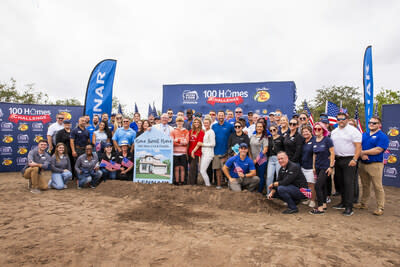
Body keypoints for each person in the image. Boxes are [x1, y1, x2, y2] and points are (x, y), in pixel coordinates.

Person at [355, 116, 389, 216]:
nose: (371, 124)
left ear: (379, 125)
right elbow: (358, 145)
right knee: (365, 185)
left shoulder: (382, 136)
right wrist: (361, 153)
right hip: (362, 164)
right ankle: (363, 203)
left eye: (374, 123)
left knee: (377, 186)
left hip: (375, 165)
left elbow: (378, 149)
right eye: (370, 122)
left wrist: (362, 152)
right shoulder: (364, 134)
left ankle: (380, 207)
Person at [330, 112, 361, 216]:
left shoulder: (353, 131)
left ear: (347, 119)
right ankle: (343, 202)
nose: (341, 121)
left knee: (348, 183)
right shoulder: (334, 131)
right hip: (338, 159)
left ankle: (349, 207)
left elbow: (358, 146)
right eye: (338, 119)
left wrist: (355, 159)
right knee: (340, 182)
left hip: (349, 159)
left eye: (343, 119)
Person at [309, 122, 335, 215]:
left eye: (319, 129)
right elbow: (314, 154)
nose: (317, 130)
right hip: (318, 166)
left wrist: (331, 166)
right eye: (315, 129)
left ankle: (319, 208)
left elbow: (332, 153)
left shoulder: (327, 140)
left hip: (326, 167)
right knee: (322, 186)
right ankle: (323, 204)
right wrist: (313, 166)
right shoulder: (314, 140)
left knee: (318, 186)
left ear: (323, 130)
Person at [212, 110, 234, 189]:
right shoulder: (214, 126)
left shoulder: (229, 126)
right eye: (219, 115)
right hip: (216, 151)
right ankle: (219, 185)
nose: (221, 117)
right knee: (218, 169)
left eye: (222, 115)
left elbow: (234, 136)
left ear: (225, 116)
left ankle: (230, 184)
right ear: (217, 116)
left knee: (227, 169)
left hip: (226, 152)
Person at [300, 126, 316, 208]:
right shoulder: (303, 141)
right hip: (303, 165)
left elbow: (315, 154)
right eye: (303, 132)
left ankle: (313, 200)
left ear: (311, 132)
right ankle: (308, 198)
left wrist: (314, 167)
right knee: (306, 184)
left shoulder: (314, 141)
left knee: (311, 184)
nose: (305, 133)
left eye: (307, 131)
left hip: (310, 167)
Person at [250, 122, 268, 193]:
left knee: (260, 176)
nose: (259, 128)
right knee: (254, 175)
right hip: (252, 159)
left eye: (261, 127)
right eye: (258, 126)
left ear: (263, 128)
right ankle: (254, 189)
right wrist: (251, 158)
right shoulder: (252, 136)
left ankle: (259, 191)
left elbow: (265, 150)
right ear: (256, 128)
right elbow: (249, 148)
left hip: (261, 160)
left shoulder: (264, 138)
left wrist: (256, 160)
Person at [170, 116, 189, 185]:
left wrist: (177, 140)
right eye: (178, 121)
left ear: (183, 122)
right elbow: (172, 142)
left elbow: (186, 142)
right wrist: (181, 140)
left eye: (181, 121)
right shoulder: (173, 131)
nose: (179, 123)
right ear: (176, 122)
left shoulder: (186, 131)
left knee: (182, 168)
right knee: (176, 168)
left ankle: (183, 181)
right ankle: (177, 181)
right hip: (175, 153)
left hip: (183, 153)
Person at [266, 124, 285, 194]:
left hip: (279, 159)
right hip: (271, 159)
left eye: (274, 129)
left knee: (278, 177)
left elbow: (284, 149)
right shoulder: (269, 138)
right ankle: (268, 193)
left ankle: (278, 194)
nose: (273, 131)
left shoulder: (282, 138)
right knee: (269, 177)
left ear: (277, 129)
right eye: (271, 130)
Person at [199, 116, 216, 186]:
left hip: (209, 154)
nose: (206, 124)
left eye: (207, 123)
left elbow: (213, 144)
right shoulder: (205, 131)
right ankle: (207, 184)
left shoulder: (211, 132)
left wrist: (203, 144)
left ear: (210, 123)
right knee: (202, 170)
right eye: (204, 123)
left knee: (202, 170)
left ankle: (208, 184)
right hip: (204, 153)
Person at [188, 117, 204, 185]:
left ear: (200, 124)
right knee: (193, 168)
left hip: (196, 152)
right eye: (195, 122)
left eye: (198, 122)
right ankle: (194, 182)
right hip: (189, 152)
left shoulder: (201, 132)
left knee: (192, 168)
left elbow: (199, 143)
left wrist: (193, 152)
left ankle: (192, 183)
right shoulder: (190, 131)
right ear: (193, 123)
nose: (196, 123)